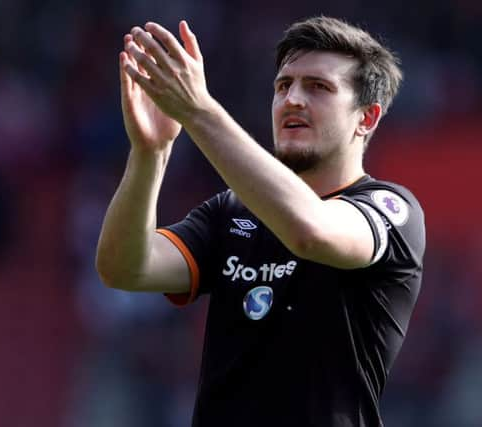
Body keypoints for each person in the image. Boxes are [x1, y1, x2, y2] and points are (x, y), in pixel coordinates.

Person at [96, 16, 426, 427]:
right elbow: (124, 267)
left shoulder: (390, 209)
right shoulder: (231, 212)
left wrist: (199, 111)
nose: (293, 99)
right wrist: (151, 153)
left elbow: (310, 232)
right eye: (283, 86)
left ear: (367, 118)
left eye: (318, 87)